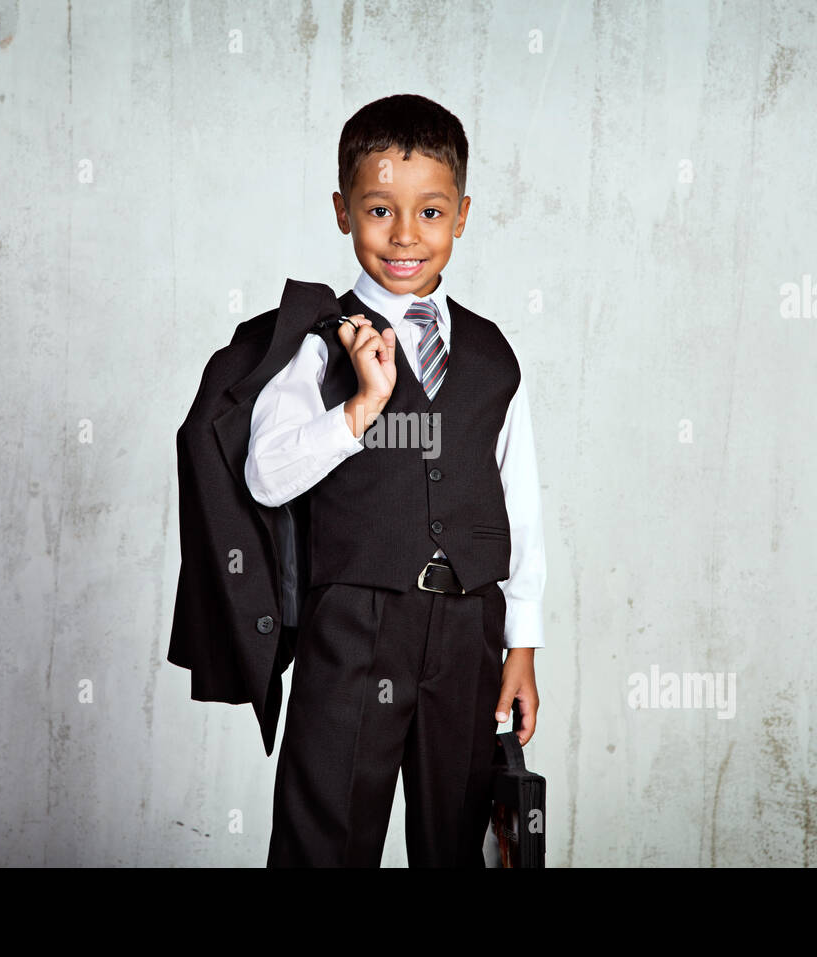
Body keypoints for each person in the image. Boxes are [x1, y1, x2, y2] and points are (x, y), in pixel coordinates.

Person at [244, 93, 546, 867]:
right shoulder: (317, 342)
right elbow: (267, 474)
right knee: (327, 837)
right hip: (354, 626)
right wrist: (361, 405)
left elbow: (519, 501)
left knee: (461, 840)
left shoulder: (491, 354)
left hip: (469, 630)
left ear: (464, 214)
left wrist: (521, 644)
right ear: (343, 211)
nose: (406, 235)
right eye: (380, 209)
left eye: (431, 212)